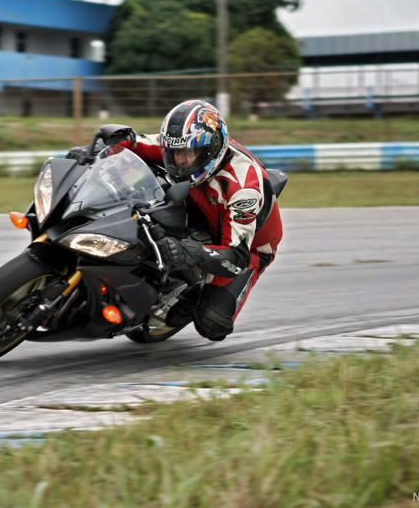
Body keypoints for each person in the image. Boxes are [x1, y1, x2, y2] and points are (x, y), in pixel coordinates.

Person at [68, 100, 283, 341]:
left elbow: (237, 257)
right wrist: (92, 151)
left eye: (189, 153)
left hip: (246, 245)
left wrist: (191, 253)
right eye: (175, 152)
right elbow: (136, 143)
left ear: (211, 149)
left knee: (213, 323)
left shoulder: (243, 190)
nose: (180, 160)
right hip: (199, 203)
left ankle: (193, 292)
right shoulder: (182, 142)